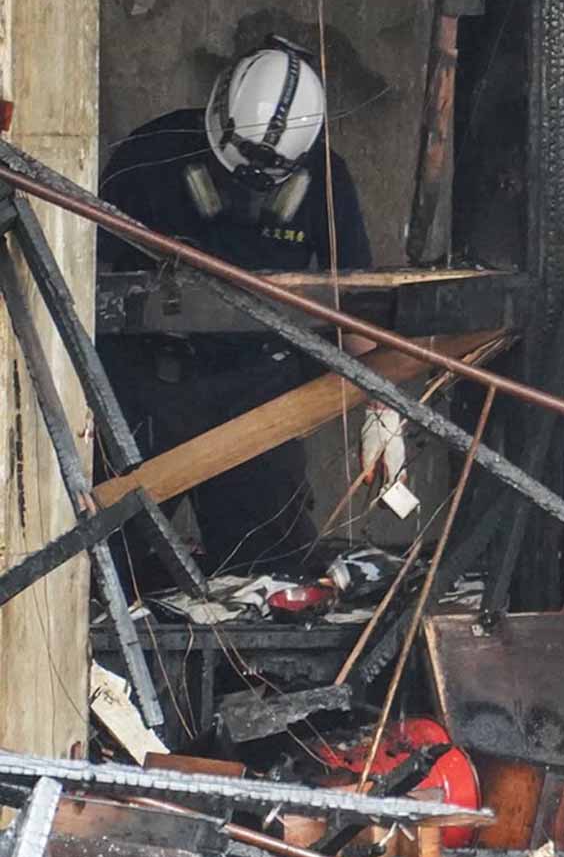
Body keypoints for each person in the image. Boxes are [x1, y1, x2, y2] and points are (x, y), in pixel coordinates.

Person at [98, 36, 404, 580]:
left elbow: (354, 303)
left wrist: (383, 408)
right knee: (103, 570)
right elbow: (81, 283)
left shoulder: (325, 179)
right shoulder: (150, 156)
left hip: (258, 398)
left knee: (267, 577)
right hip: (148, 389)